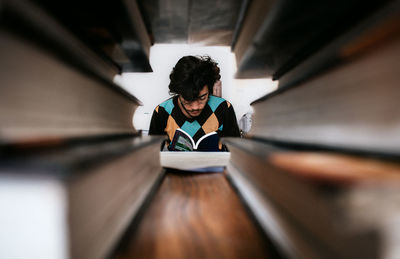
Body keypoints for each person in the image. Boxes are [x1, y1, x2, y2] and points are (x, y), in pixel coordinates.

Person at [149, 55, 240, 150]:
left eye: (202, 98)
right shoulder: (162, 111)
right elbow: (151, 155)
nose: (195, 107)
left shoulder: (223, 108)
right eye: (188, 100)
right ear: (179, 93)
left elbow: (237, 153)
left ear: (209, 90)